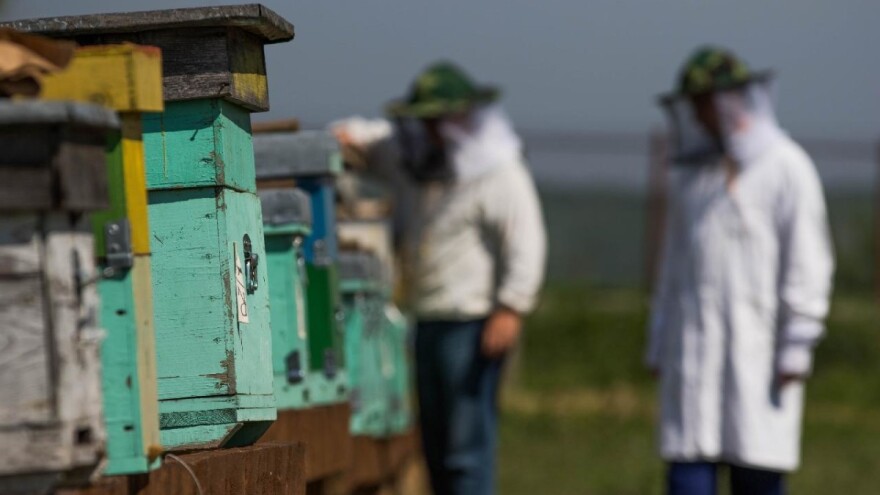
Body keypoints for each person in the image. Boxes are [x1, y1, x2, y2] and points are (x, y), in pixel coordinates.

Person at [332, 61, 547, 495]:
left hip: (470, 323)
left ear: (465, 121)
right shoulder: (414, 161)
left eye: (439, 121)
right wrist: (343, 138)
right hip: (425, 320)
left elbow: (527, 241)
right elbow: (366, 141)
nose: (431, 131)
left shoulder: (498, 172)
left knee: (465, 448)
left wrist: (511, 307)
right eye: (424, 122)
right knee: (433, 445)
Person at [647, 46, 835, 495]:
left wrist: (798, 340)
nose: (698, 116)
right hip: (693, 354)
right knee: (688, 472)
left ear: (730, 101)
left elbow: (807, 259)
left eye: (703, 103)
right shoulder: (693, 177)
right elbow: (673, 265)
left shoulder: (786, 167)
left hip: (757, 355)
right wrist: (660, 336)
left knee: (757, 470)